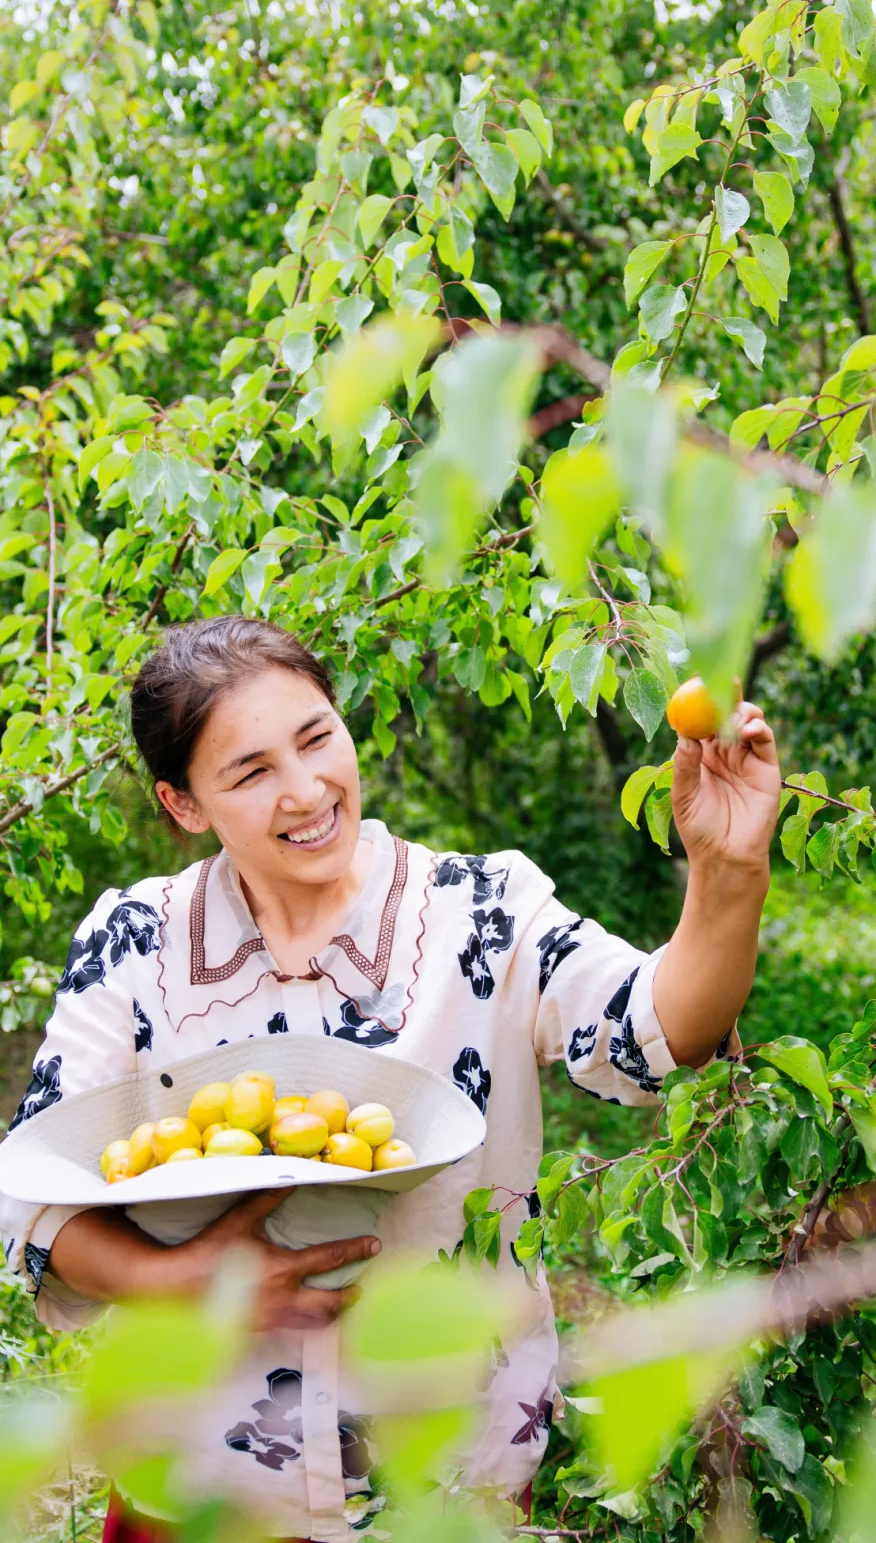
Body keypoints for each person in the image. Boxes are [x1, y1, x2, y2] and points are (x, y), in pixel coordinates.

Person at [0, 616, 780, 1543]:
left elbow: (659, 1032)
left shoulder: (480, 910)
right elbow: (33, 1189)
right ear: (184, 805)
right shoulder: (136, 942)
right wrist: (180, 1278)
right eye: (249, 773)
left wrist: (728, 871)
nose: (306, 790)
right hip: (202, 1485)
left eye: (317, 737)